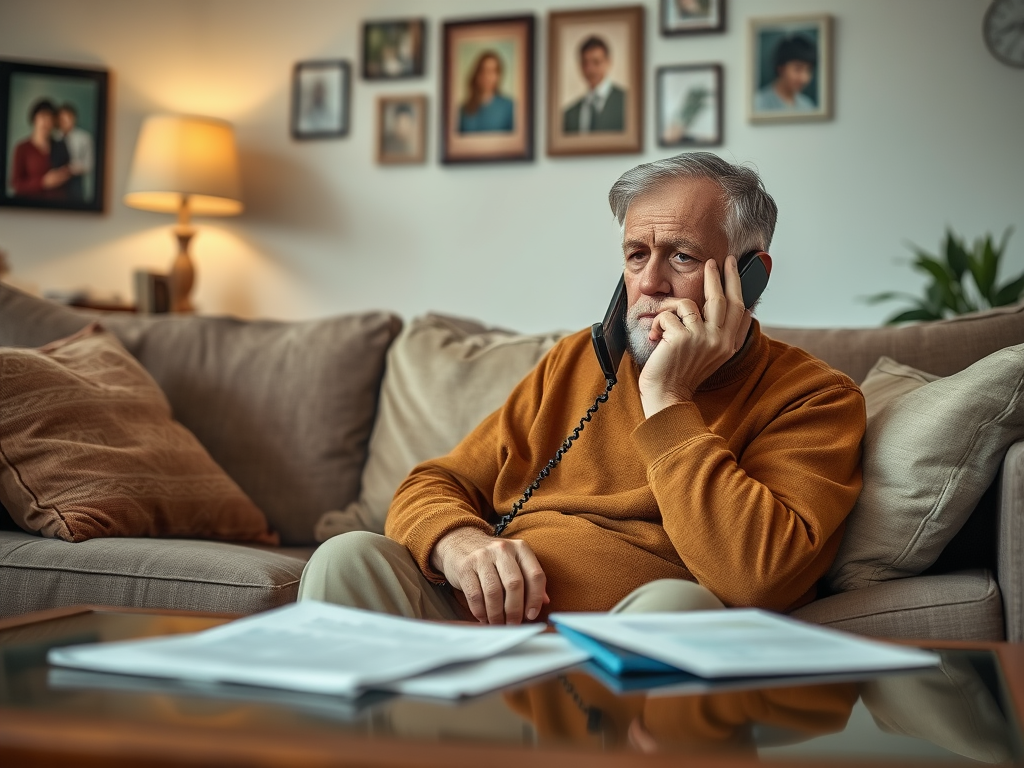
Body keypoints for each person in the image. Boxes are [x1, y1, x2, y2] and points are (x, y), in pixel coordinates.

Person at [299, 152, 865, 625]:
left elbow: (757, 576)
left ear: (751, 275)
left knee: (677, 609)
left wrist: (668, 398)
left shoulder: (815, 398)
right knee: (347, 558)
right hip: (480, 621)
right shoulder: (576, 362)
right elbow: (434, 481)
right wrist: (459, 544)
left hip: (627, 649)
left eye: (682, 256)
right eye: (636, 255)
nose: (648, 283)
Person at [563, 36, 627, 134]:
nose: (590, 69)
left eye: (596, 62)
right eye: (585, 63)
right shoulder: (569, 114)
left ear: (608, 62)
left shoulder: (628, 102)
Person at [9, 99, 70, 200]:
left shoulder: (60, 146)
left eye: (50, 118)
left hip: (56, 208)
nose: (46, 122)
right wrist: (43, 182)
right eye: (43, 116)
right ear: (34, 119)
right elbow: (16, 184)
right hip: (30, 207)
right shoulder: (22, 148)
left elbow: (67, 172)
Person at [754, 34, 818, 112]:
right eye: (797, 69)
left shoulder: (808, 105)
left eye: (809, 70)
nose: (804, 78)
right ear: (781, 68)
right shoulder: (757, 103)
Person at [458, 51, 514, 133]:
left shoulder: (508, 107)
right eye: (483, 70)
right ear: (477, 74)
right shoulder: (463, 109)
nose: (487, 76)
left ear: (498, 76)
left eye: (492, 71)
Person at [55, 103, 94, 202]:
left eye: (68, 118)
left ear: (74, 118)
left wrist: (70, 169)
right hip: (56, 181)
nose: (65, 121)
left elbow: (89, 164)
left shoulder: (84, 138)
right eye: (61, 118)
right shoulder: (54, 137)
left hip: (75, 181)